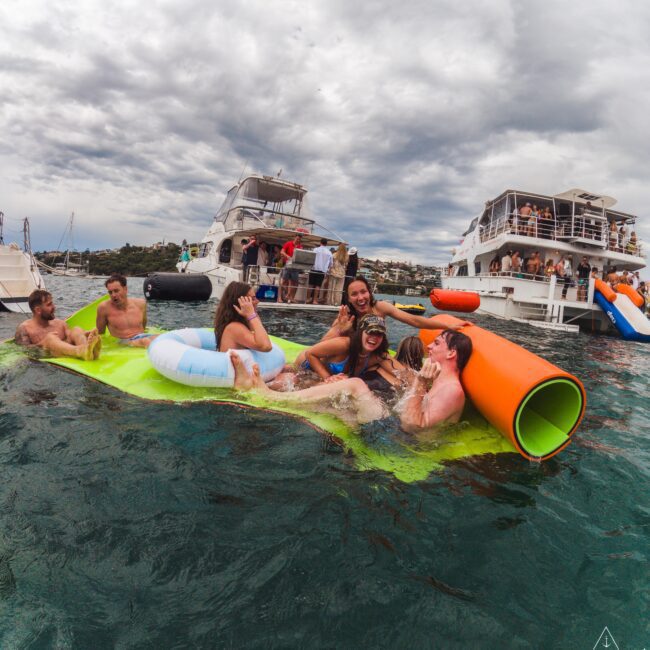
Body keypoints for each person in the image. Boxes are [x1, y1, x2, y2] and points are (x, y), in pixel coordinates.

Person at [230, 328, 472, 436]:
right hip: (390, 427)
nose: (429, 346)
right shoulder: (441, 382)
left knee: (355, 385)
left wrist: (419, 386)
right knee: (335, 403)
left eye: (438, 343)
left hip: (398, 440)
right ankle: (262, 403)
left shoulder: (453, 391)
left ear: (452, 353)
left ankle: (269, 396)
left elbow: (412, 426)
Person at [14, 289, 101, 360]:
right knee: (50, 339)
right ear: (38, 310)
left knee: (77, 329)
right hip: (46, 358)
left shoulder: (60, 323)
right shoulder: (24, 328)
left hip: (67, 351)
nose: (54, 307)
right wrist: (43, 343)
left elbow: (71, 336)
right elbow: (23, 351)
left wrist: (84, 334)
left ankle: (89, 350)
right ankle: (82, 351)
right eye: (49, 305)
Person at [96, 273, 156, 347]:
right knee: (145, 341)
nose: (113, 295)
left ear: (125, 289)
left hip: (142, 336)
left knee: (162, 337)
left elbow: (143, 325)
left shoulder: (141, 304)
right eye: (110, 292)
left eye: (116, 291)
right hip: (123, 342)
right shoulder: (104, 308)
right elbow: (100, 334)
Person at [214, 281, 272, 352]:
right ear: (241, 303)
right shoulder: (234, 327)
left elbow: (262, 337)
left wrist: (253, 314)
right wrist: (251, 315)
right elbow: (266, 346)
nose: (257, 301)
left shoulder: (246, 322)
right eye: (253, 299)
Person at [278, 234, 303, 304]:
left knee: (295, 283)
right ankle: (280, 297)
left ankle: (290, 297)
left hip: (295, 267)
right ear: (294, 238)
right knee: (283, 282)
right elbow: (282, 252)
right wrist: (288, 256)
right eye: (297, 238)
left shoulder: (300, 247)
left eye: (299, 239)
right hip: (287, 266)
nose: (298, 240)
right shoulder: (288, 243)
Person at [307, 238, 333, 305]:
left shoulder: (315, 250)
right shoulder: (329, 253)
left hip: (313, 269)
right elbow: (331, 264)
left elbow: (310, 258)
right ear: (326, 244)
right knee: (318, 286)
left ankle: (308, 299)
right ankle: (315, 300)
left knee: (310, 285)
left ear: (320, 242)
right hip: (322, 271)